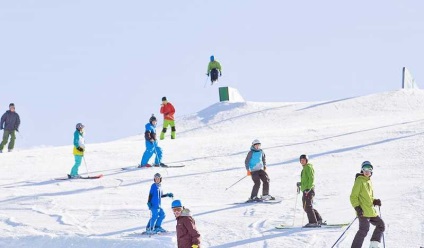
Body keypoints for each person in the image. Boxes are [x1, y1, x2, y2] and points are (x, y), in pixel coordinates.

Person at [350, 161, 385, 248]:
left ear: (371, 171)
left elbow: (368, 197)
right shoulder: (359, 181)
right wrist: (357, 208)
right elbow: (353, 196)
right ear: (362, 170)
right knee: (363, 230)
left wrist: (374, 201)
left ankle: (373, 245)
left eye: (369, 169)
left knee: (381, 225)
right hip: (363, 211)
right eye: (364, 169)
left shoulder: (368, 181)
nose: (367, 171)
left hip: (370, 210)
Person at [298, 154, 324, 227]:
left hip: (308, 190)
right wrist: (300, 183)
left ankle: (313, 222)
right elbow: (306, 180)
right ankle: (318, 219)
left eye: (303, 160)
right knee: (307, 206)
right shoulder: (305, 168)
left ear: (306, 160)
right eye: (301, 160)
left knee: (307, 206)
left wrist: (308, 189)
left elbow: (311, 178)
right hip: (306, 189)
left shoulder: (308, 167)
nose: (302, 161)